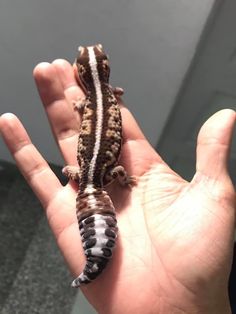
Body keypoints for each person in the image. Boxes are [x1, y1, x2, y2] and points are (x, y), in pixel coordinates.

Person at [0, 59, 235, 314]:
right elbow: (120, 169)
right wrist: (125, 182)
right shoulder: (113, 94)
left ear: (81, 74)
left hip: (87, 173)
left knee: (72, 174)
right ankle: (95, 260)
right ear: (106, 71)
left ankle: (95, 263)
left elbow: (93, 163)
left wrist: (80, 172)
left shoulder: (89, 101)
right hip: (94, 175)